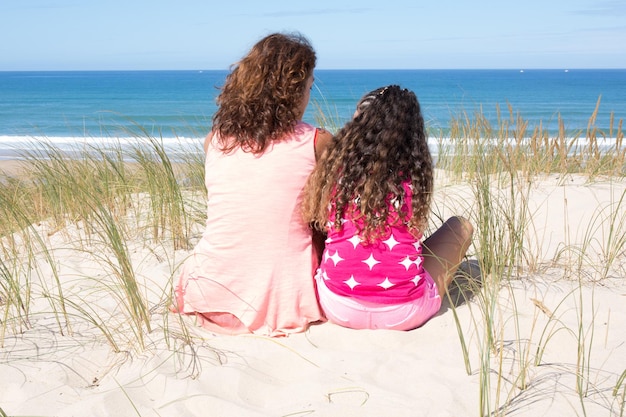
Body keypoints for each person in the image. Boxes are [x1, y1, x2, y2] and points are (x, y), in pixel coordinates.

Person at [173, 32, 332, 336]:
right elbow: (329, 219)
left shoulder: (214, 141)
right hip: (277, 296)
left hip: (205, 290)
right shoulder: (316, 142)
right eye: (308, 88)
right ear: (293, 91)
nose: (308, 98)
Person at [302, 85, 473, 331]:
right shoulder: (414, 176)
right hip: (404, 313)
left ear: (356, 125)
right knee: (461, 226)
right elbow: (413, 234)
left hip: (338, 306)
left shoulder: (334, 172)